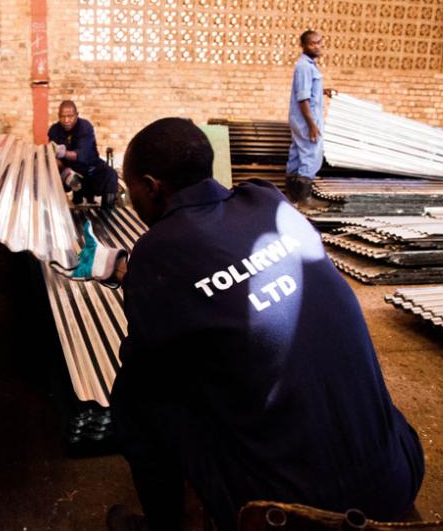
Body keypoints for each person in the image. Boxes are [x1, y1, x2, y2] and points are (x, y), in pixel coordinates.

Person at [70, 118, 424, 531]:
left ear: (152, 187)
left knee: (137, 395)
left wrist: (147, 285)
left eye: (133, 191)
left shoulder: (157, 251)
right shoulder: (267, 200)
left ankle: (163, 524)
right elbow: (225, 278)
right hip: (398, 474)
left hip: (292, 514)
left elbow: (151, 362)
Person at [286, 30, 335, 209]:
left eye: (319, 42)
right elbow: (303, 98)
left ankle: (292, 199)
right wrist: (312, 125)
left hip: (301, 120)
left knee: (297, 155)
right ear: (303, 46)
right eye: (312, 43)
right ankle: (304, 200)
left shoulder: (308, 66)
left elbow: (308, 91)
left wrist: (323, 90)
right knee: (311, 155)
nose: (317, 46)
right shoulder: (305, 67)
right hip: (306, 120)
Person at [48, 100, 118, 208]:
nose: (66, 120)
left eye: (70, 116)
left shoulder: (85, 127)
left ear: (77, 115)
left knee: (111, 175)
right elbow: (51, 155)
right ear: (58, 116)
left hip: (90, 167)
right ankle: (63, 209)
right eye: (63, 117)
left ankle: (108, 213)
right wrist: (61, 167)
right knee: (64, 175)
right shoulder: (54, 130)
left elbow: (82, 154)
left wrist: (62, 153)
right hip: (70, 173)